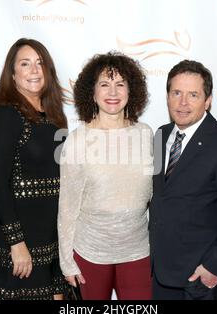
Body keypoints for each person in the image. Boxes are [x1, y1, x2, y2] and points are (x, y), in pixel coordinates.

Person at [149, 59, 217, 300]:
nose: (183, 103)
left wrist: (213, 267)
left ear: (207, 101)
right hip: (159, 272)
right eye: (176, 93)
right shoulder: (160, 135)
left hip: (198, 279)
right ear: (167, 96)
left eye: (193, 95)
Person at [58, 51, 153, 300]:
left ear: (131, 91)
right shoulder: (77, 141)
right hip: (90, 253)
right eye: (105, 84)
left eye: (120, 84)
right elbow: (67, 207)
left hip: (137, 252)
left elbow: (154, 195)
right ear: (93, 92)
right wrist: (66, 260)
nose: (113, 92)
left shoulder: (146, 135)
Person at [0, 38, 69, 300]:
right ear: (13, 74)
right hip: (22, 246)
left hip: (53, 240)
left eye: (40, 63)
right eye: (25, 63)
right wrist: (16, 243)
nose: (34, 70)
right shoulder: (5, 115)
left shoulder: (55, 117)